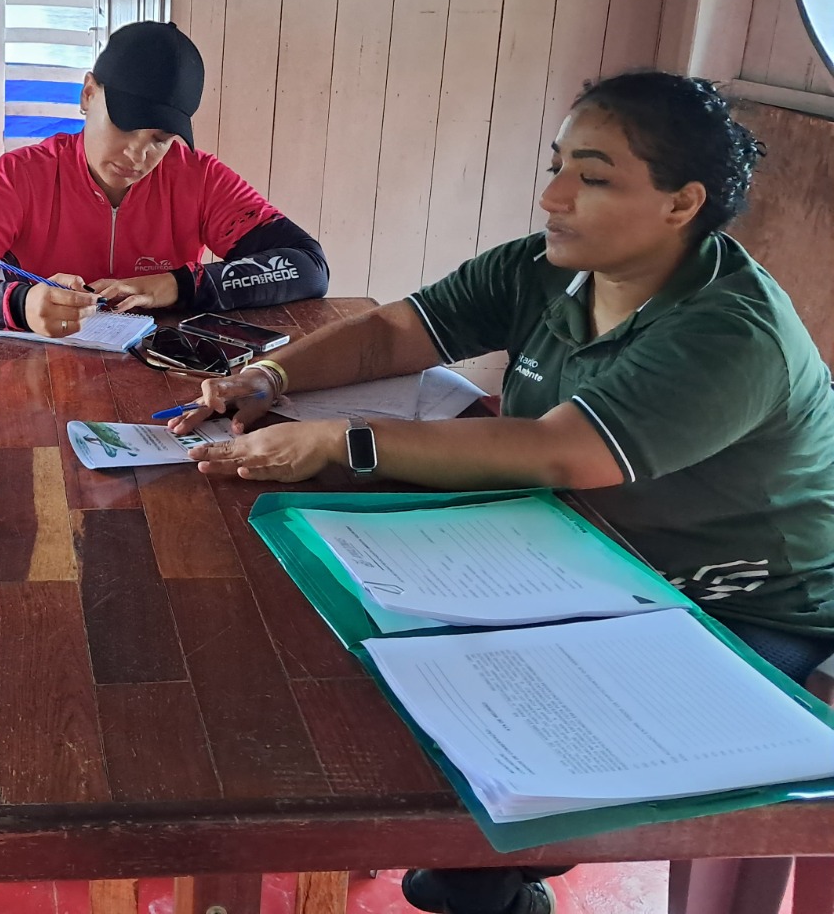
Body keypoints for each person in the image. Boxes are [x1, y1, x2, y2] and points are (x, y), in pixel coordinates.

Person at [171, 71, 834, 914]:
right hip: (584, 561)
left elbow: (558, 453)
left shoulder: (728, 332)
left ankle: (489, 881)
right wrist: (268, 375)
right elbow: (396, 331)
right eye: (557, 166)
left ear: (681, 203)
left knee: (501, 776)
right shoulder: (546, 269)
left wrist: (344, 441)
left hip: (740, 607)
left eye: (593, 177)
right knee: (369, 671)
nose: (553, 196)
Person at [0, 20, 329, 336]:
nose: (137, 156)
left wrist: (173, 286)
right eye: (125, 126)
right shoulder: (23, 176)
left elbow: (309, 267)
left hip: (164, 376)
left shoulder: (198, 177)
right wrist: (18, 304)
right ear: (88, 94)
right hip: (38, 372)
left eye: (160, 139)